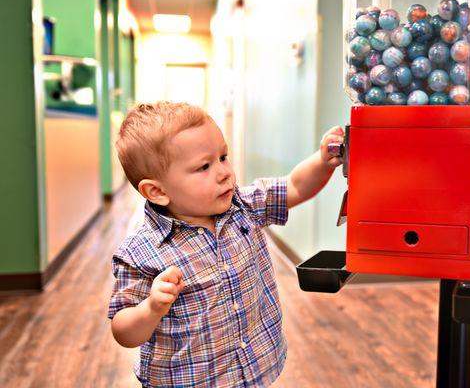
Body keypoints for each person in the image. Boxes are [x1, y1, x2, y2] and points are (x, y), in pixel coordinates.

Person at [108, 101, 344, 387]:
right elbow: (123, 331)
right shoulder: (141, 253)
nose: (224, 172)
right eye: (204, 166)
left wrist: (321, 161)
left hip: (254, 369)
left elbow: (294, 186)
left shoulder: (244, 206)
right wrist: (151, 307)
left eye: (223, 157)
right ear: (157, 191)